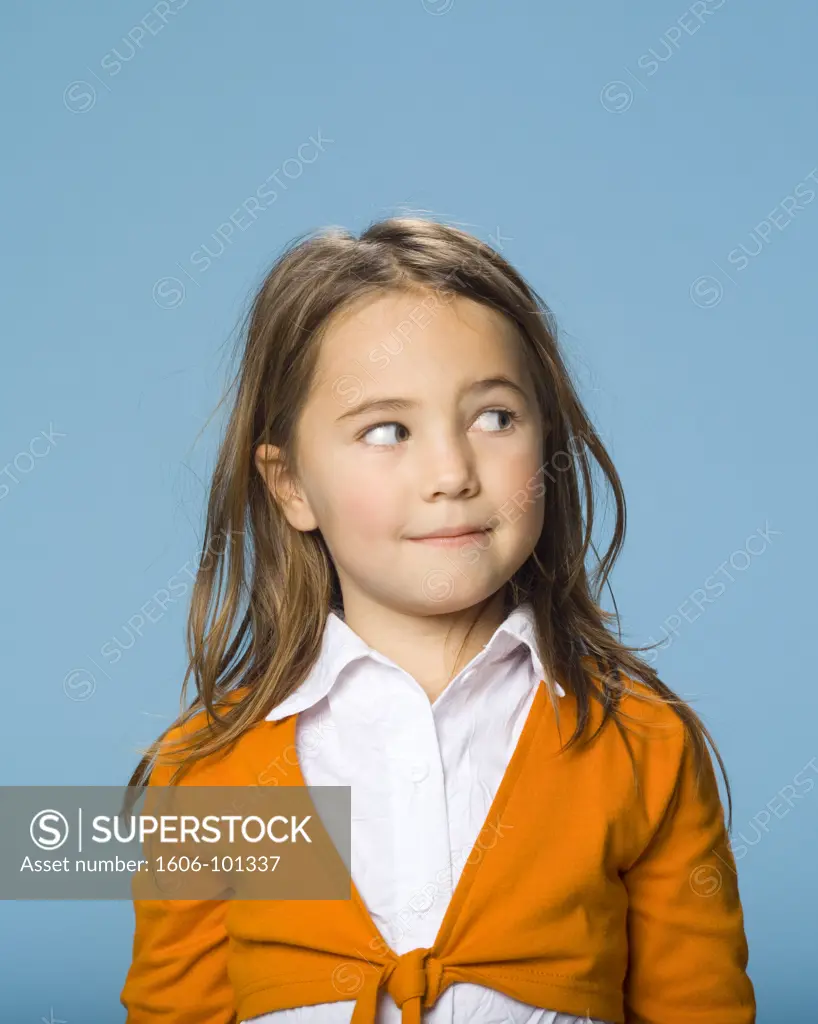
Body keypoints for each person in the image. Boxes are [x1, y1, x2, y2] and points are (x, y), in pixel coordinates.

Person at [119, 217, 756, 1023]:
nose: (452, 473)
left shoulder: (643, 745)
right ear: (290, 487)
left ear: (547, 440)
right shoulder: (208, 773)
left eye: (494, 418)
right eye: (387, 431)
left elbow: (700, 1007)